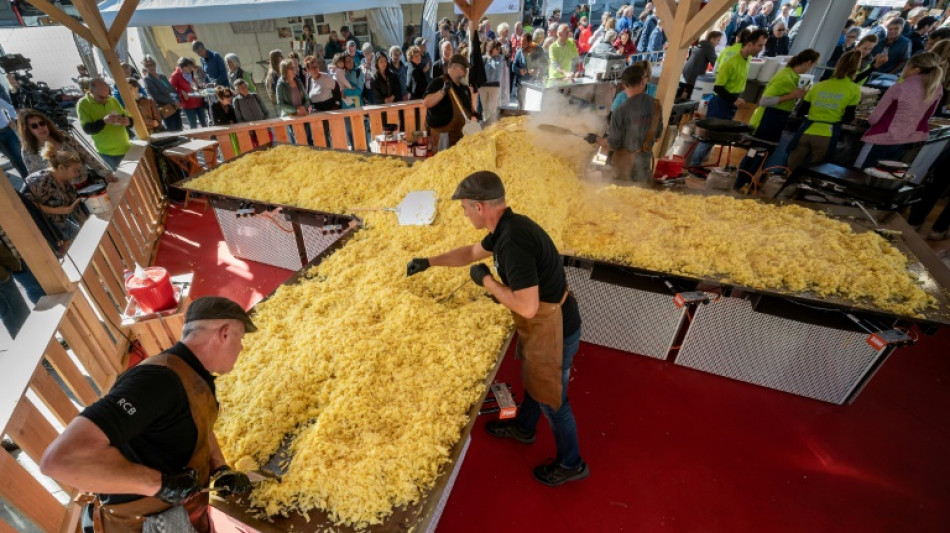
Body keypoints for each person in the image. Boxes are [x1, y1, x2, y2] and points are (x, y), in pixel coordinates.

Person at [406, 171, 587, 487]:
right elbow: (470, 253)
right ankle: (524, 428)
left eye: (464, 207)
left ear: (479, 207)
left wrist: (487, 281)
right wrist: (429, 261)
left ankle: (572, 463)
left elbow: (527, 307)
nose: (464, 213)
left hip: (555, 330)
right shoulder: (506, 227)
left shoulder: (514, 242)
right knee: (535, 379)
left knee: (553, 400)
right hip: (543, 323)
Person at [40, 296, 257, 533]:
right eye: (240, 338)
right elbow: (59, 460)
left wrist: (220, 468)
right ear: (224, 333)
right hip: (144, 523)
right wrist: (160, 485)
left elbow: (198, 422)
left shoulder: (193, 372)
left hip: (186, 511)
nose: (241, 348)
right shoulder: (155, 381)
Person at [735, 49, 819, 188]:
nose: (812, 67)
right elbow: (764, 101)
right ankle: (741, 181)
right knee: (755, 152)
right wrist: (791, 96)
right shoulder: (784, 77)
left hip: (777, 119)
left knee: (763, 154)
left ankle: (747, 182)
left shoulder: (794, 77)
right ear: (808, 63)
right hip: (767, 119)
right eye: (813, 64)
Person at [690, 29, 768, 168]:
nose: (761, 49)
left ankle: (699, 163)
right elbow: (718, 87)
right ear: (750, 44)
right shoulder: (731, 62)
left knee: (717, 137)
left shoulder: (747, 60)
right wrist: (734, 99)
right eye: (760, 45)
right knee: (709, 137)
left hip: (730, 103)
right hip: (721, 103)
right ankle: (694, 165)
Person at [860, 51, 944, 168]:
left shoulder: (900, 87)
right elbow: (928, 115)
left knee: (865, 170)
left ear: (915, 69)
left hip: (882, 136)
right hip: (907, 139)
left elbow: (875, 118)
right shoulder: (936, 88)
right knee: (886, 173)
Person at [785, 51, 862, 173]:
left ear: (837, 65)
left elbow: (801, 111)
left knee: (792, 167)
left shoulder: (819, 85)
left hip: (806, 132)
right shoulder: (854, 89)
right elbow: (848, 118)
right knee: (814, 171)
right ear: (856, 69)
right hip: (827, 136)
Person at [588, 62, 663, 182]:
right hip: (644, 164)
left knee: (618, 192)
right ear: (643, 82)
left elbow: (612, 144)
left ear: (623, 85)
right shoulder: (656, 105)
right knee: (639, 191)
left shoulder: (620, 111)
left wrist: (596, 138)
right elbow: (658, 137)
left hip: (623, 167)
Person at [22, 145, 87, 242]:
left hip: (63, 223)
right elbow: (26, 203)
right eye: (75, 170)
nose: (77, 174)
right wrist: (55, 210)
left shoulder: (66, 181)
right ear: (61, 168)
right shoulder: (38, 181)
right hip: (48, 229)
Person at [77, 77, 132, 170]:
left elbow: (128, 117)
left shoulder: (113, 100)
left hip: (126, 147)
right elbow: (87, 129)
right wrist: (103, 122)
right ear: (91, 91)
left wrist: (127, 121)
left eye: (107, 96)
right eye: (101, 97)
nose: (106, 99)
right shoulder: (83, 104)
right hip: (109, 154)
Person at [424, 54, 476, 153]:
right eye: (463, 68)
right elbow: (427, 102)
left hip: (462, 135)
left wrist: (475, 114)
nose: (466, 72)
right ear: (454, 67)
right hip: (443, 136)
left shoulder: (464, 88)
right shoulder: (439, 82)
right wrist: (443, 91)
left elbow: (469, 106)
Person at [141, 55, 183, 132]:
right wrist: (173, 101)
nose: (151, 67)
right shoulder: (148, 79)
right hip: (166, 109)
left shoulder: (162, 76)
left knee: (180, 129)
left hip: (175, 106)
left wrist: (178, 100)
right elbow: (157, 96)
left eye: (152, 64)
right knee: (173, 132)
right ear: (145, 67)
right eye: (148, 65)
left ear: (155, 64)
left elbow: (172, 89)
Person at [170, 57, 209, 130]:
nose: (191, 68)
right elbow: (171, 89)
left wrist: (200, 88)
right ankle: (195, 136)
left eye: (191, 66)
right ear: (183, 67)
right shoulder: (175, 75)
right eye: (189, 67)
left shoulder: (191, 73)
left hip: (198, 101)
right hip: (187, 104)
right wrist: (181, 91)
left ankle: (208, 136)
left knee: (204, 122)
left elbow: (195, 84)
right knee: (193, 124)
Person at [680, 31, 722, 99]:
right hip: (694, 74)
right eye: (718, 40)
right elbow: (714, 62)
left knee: (686, 90)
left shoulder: (701, 43)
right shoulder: (709, 46)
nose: (718, 42)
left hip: (687, 71)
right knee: (689, 94)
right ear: (712, 39)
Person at [512, 32, 548, 109]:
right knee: (521, 107)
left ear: (530, 42)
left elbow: (545, 64)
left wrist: (538, 71)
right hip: (522, 85)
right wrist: (520, 70)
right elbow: (513, 67)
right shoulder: (519, 52)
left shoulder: (538, 50)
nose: (521, 45)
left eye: (524, 43)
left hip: (535, 85)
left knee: (532, 107)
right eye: (520, 42)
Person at [0, 93, 29, 178]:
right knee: (12, 160)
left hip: (7, 131)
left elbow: (9, 108)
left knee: (20, 156)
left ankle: (31, 178)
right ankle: (27, 180)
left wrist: (13, 119)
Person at [481, 40, 504, 123]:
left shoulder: (500, 58)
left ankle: (492, 125)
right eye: (497, 48)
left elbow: (496, 68)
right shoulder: (483, 58)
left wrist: (490, 58)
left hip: (494, 86)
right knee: (485, 108)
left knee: (493, 109)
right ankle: (486, 125)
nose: (498, 50)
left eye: (499, 48)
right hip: (483, 86)